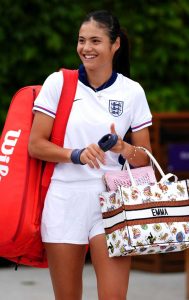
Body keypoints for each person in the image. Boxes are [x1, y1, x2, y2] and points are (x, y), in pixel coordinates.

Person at [28, 9, 152, 300]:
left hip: (113, 201)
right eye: (81, 40)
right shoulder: (58, 83)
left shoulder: (132, 92)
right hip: (64, 200)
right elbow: (36, 145)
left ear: (115, 44)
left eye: (95, 41)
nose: (86, 48)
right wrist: (77, 154)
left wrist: (123, 148)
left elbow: (144, 157)